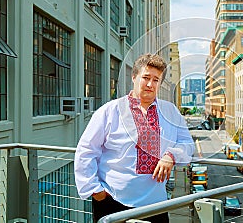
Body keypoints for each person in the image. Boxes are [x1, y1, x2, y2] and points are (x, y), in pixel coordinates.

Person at [74, 53, 195, 222]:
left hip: (156, 205)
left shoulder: (170, 112)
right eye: (145, 77)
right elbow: (86, 150)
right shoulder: (110, 111)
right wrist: (94, 190)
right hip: (113, 202)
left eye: (156, 80)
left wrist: (171, 155)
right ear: (134, 77)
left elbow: (187, 144)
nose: (150, 84)